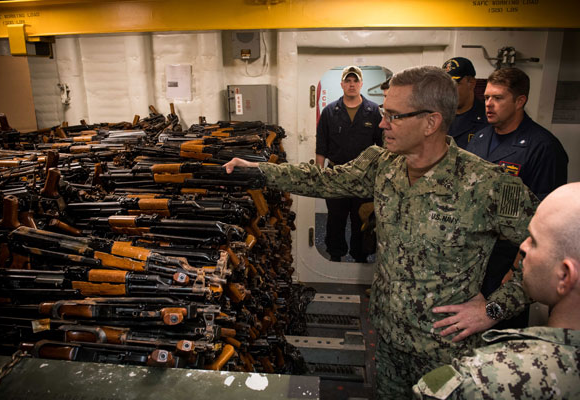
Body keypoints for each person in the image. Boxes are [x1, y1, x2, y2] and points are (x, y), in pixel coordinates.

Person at [224, 66, 539, 398]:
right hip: (387, 339)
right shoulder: (382, 163)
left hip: (446, 352)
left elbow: (558, 251)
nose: (381, 123)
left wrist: (494, 309)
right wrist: (260, 171)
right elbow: (324, 179)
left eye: (394, 116)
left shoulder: (488, 184)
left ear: (431, 122)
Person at [413, 182, 580, 399]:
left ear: (565, 276)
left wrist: (491, 310)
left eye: (535, 242)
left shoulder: (484, 380)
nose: (523, 246)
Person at [467, 67, 569, 326]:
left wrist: (517, 270)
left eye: (498, 98)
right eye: (487, 97)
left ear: (520, 101)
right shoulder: (479, 139)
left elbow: (546, 218)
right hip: (474, 256)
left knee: (500, 329)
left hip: (508, 259)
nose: (489, 104)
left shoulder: (542, 147)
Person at [315, 65, 383, 263]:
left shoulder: (373, 112)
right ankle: (335, 254)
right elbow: (321, 147)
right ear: (342, 84)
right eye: (348, 81)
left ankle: (360, 256)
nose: (352, 85)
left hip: (364, 177)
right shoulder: (329, 112)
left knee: (361, 218)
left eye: (355, 81)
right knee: (336, 218)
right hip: (336, 174)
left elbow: (381, 146)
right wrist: (319, 178)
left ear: (361, 84)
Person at [441, 57, 488, 149]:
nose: (447, 90)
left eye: (453, 84)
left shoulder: (487, 118)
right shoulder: (437, 115)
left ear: (471, 83)